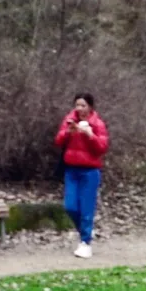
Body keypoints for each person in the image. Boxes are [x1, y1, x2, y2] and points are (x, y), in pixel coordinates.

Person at [54, 93, 109, 259]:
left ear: (90, 107)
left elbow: (102, 147)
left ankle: (85, 242)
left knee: (86, 208)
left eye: (83, 105)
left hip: (90, 172)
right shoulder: (69, 120)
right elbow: (58, 141)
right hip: (72, 170)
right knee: (70, 206)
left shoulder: (97, 124)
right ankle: (86, 232)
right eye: (77, 105)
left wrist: (90, 135)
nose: (79, 109)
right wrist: (67, 133)